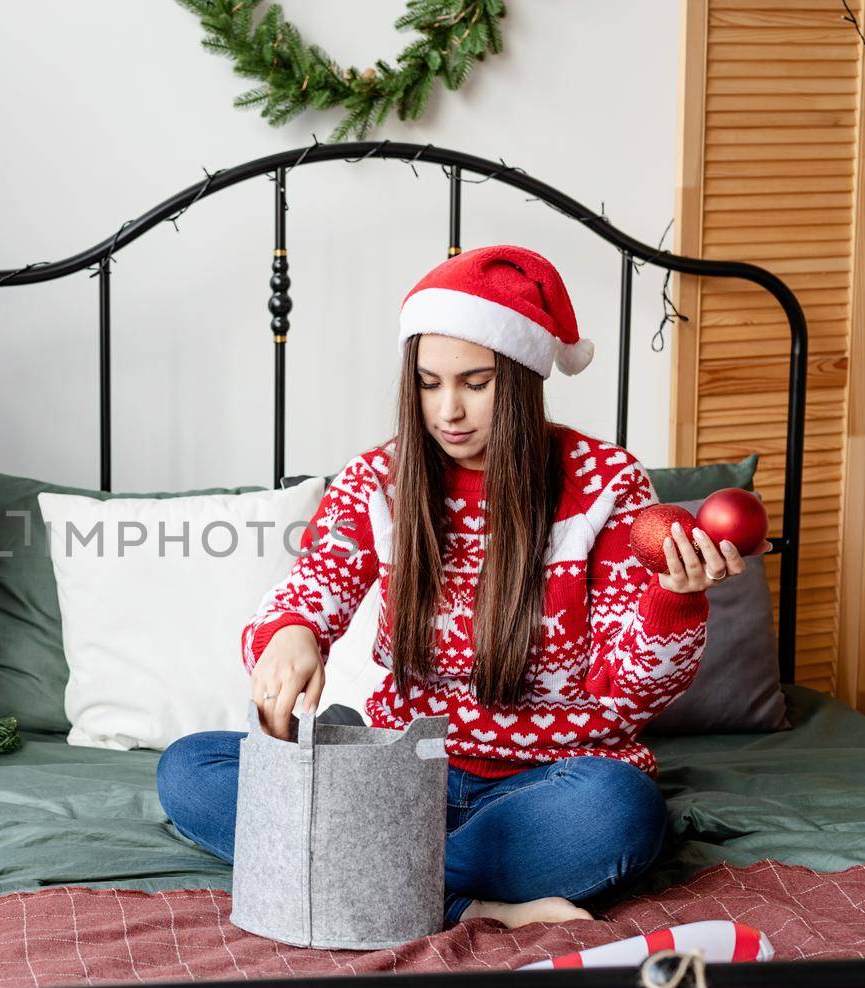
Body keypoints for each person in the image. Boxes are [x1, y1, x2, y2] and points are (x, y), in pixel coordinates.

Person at [157, 245, 767, 930]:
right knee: (190, 768)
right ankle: (468, 901)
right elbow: (311, 588)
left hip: (550, 783)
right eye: (428, 382)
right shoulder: (377, 481)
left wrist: (675, 597)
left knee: (617, 810)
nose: (448, 411)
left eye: (475, 383)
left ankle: (364, 877)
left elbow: (627, 692)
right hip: (398, 772)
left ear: (524, 374)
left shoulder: (607, 483)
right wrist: (292, 634)